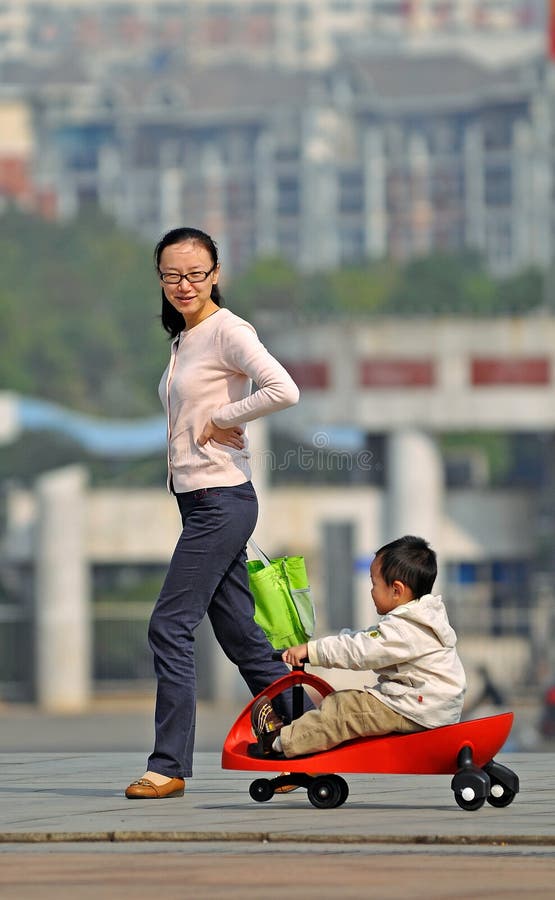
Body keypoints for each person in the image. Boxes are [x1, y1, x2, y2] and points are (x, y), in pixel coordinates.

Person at [125, 226, 301, 799]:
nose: (183, 284)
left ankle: (169, 766)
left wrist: (229, 418)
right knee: (245, 640)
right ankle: (312, 744)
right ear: (160, 278)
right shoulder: (185, 339)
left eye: (195, 274)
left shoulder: (228, 330)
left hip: (220, 503)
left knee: (169, 626)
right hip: (201, 502)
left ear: (216, 274)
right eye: (172, 274)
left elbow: (283, 388)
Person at [251, 535, 466, 759]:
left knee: (344, 711)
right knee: (342, 702)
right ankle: (304, 743)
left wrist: (312, 651)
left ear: (397, 590)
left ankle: (278, 743)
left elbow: (359, 651)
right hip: (429, 707)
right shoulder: (419, 618)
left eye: (374, 583)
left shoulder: (404, 630)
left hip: (415, 708)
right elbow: (365, 638)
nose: (371, 591)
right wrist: (315, 647)